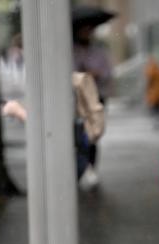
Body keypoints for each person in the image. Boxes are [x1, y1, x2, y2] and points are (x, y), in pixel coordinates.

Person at [73, 22, 113, 188]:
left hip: (96, 97)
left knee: (93, 134)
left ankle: (90, 169)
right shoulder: (71, 51)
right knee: (77, 134)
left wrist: (94, 74)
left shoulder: (98, 52)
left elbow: (107, 72)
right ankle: (80, 169)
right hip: (76, 99)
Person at [144, 55, 159, 129]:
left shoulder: (152, 70)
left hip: (154, 93)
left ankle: (157, 121)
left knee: (155, 108)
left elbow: (149, 80)